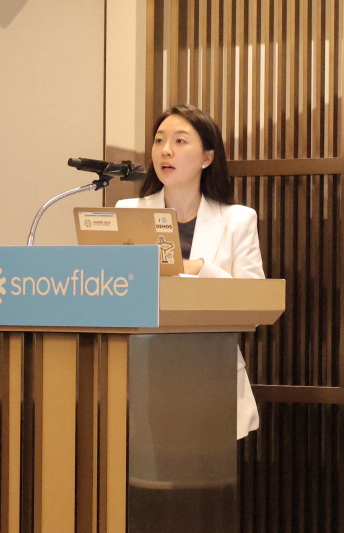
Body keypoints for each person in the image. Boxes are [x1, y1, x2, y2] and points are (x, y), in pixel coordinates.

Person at [116, 104, 263, 439]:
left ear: (207, 157)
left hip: (211, 372)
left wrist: (201, 268)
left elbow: (255, 301)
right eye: (159, 140)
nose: (165, 150)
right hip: (143, 371)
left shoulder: (237, 220)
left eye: (180, 141)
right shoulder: (128, 212)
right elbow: (116, 290)